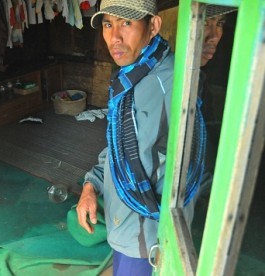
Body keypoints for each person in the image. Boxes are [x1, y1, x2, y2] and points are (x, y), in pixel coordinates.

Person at [75, 1, 235, 275]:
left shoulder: (174, 84)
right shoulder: (131, 77)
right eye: (108, 24)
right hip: (124, 229)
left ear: (154, 26)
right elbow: (120, 146)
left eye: (127, 23)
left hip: (148, 241)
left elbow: (194, 169)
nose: (115, 37)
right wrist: (91, 185)